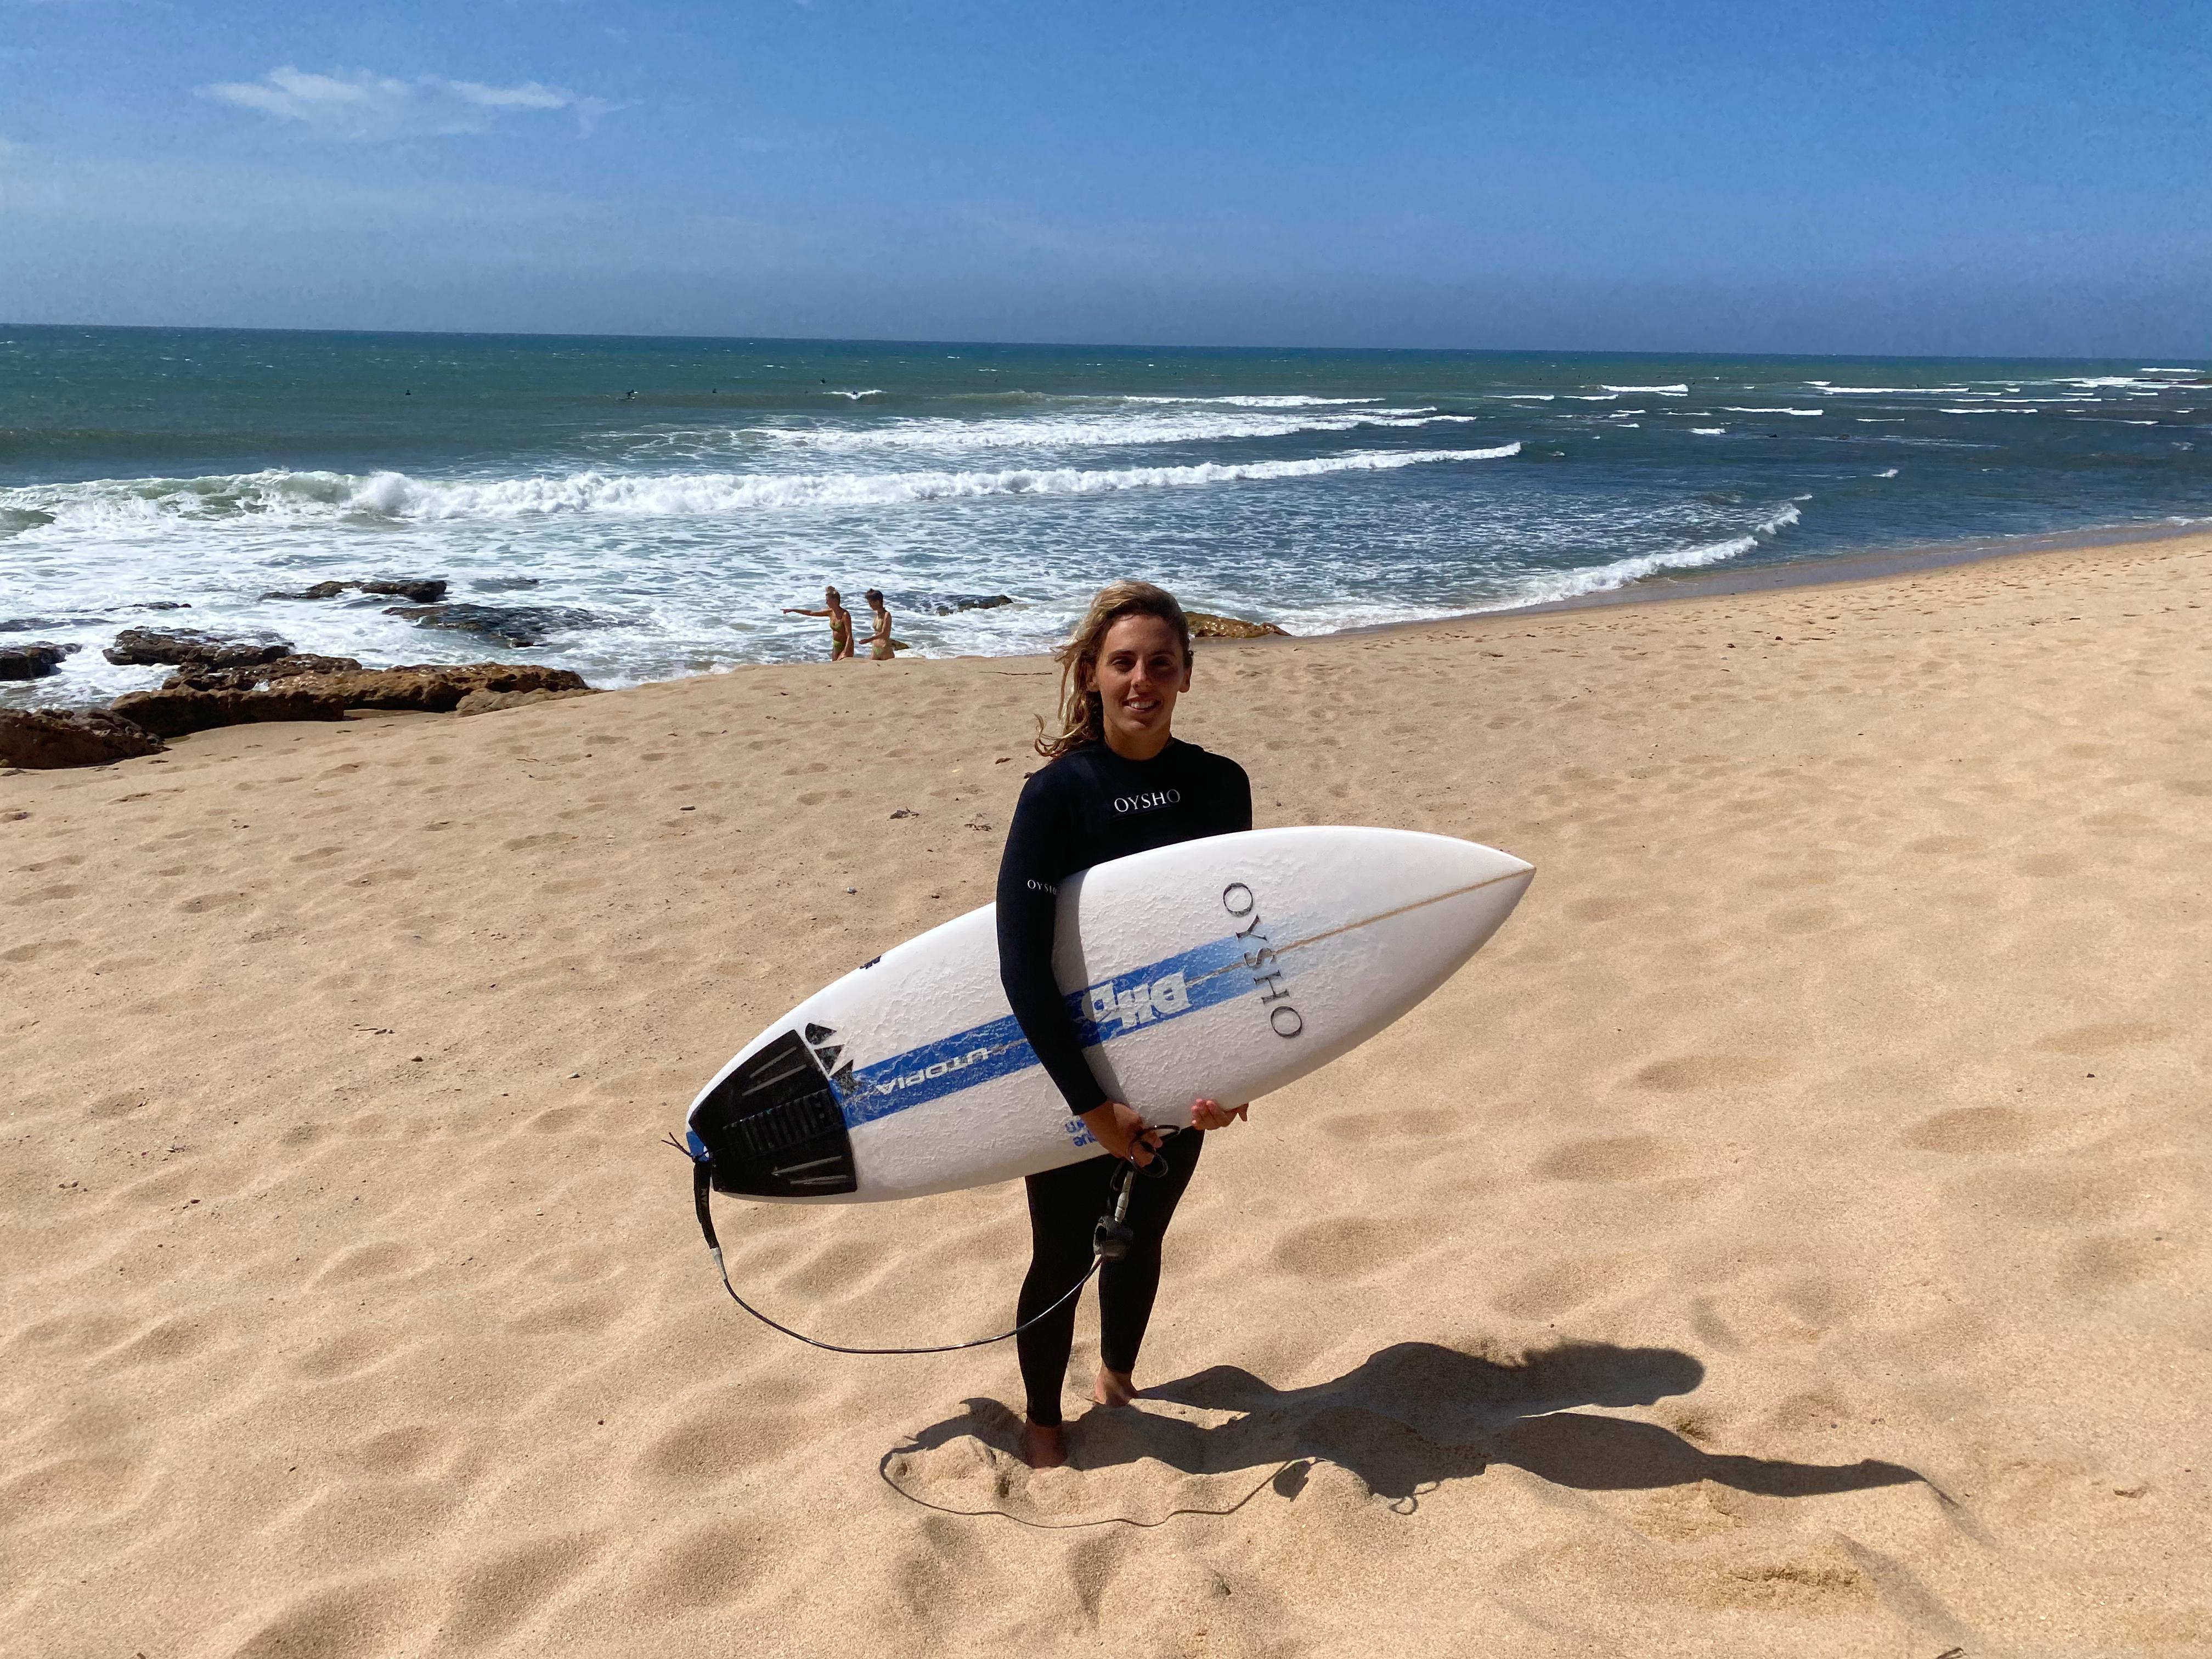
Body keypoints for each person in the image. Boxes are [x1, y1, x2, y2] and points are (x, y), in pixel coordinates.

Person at [994, 580, 1254, 1469]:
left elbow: (1230, 950)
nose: (1141, 678)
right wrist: (1093, 1105)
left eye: (1160, 663)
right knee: (1062, 1251)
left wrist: (1230, 1076)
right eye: (1122, 663)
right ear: (1091, 674)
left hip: (1177, 1060)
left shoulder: (1220, 786)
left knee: (1140, 1234)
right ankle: (1041, 1421)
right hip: (1074, 1067)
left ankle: (1116, 1378)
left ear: (1185, 675)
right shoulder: (1055, 794)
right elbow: (1022, 967)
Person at [781, 586, 854, 661]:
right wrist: (794, 610)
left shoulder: (845, 615)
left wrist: (845, 651)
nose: (826, 603)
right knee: (835, 667)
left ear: (835, 600)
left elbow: (849, 635)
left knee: (843, 667)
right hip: (836, 645)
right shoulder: (830, 612)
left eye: (828, 600)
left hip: (847, 646)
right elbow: (811, 613)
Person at [862, 589, 898, 661]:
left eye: (871, 603)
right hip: (875, 647)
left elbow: (885, 633)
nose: (870, 606)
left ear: (878, 602)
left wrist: (869, 639)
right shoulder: (877, 614)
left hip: (885, 648)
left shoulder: (887, 615)